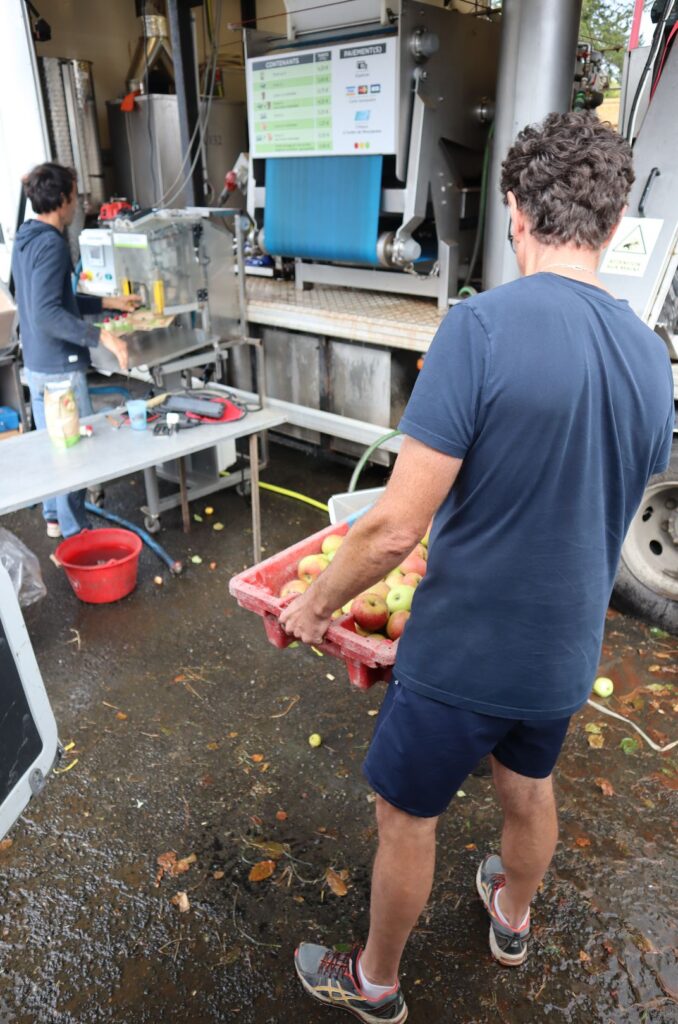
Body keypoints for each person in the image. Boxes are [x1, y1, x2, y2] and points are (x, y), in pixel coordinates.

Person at [280, 112, 675, 1023]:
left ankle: (375, 982)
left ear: (513, 212)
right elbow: (604, 497)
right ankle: (514, 913)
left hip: (462, 656)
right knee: (527, 788)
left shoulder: (479, 329)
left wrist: (315, 604)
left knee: (406, 819)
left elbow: (391, 530)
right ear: (617, 225)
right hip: (563, 653)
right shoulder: (654, 362)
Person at [12, 162, 137, 539]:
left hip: (37, 362)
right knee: (74, 456)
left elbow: (45, 301)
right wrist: (106, 337)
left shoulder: (26, 236)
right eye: (76, 194)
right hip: (59, 369)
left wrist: (108, 303)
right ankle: (76, 534)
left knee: (55, 452)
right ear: (63, 200)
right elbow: (49, 313)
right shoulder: (52, 245)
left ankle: (54, 517)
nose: (79, 202)